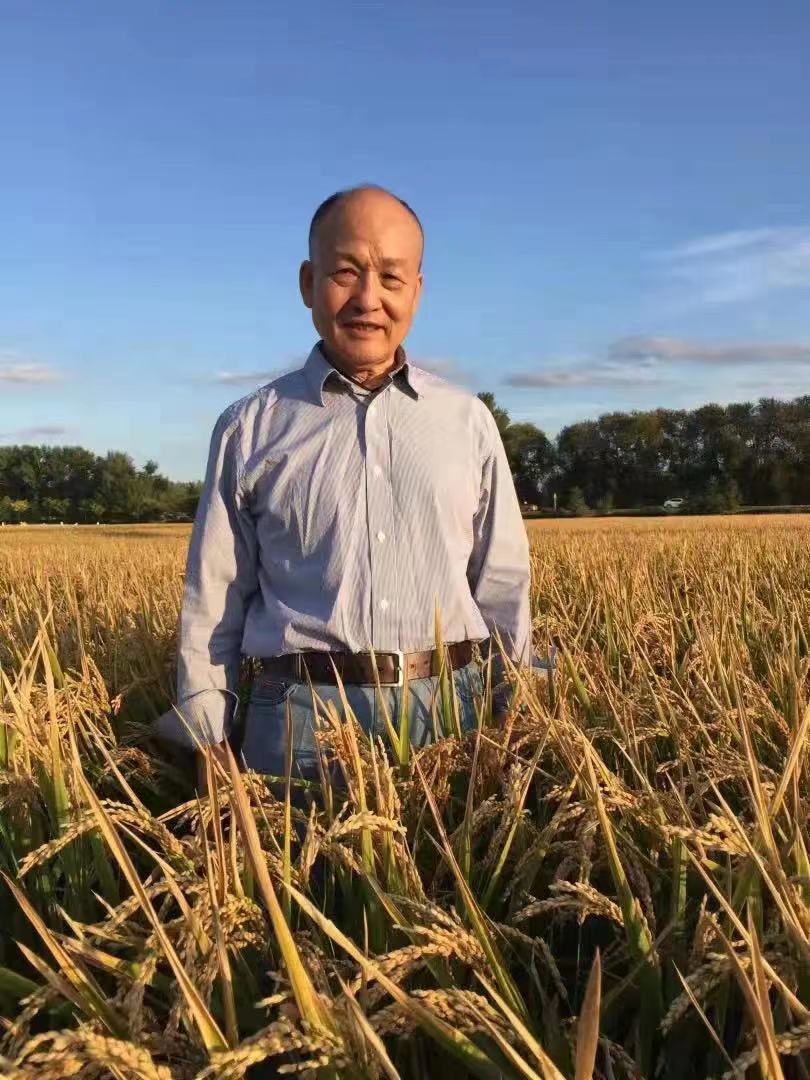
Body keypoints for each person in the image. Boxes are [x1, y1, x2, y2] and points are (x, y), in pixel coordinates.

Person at [156, 185, 532, 789]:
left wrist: (518, 711)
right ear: (309, 283)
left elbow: (502, 583)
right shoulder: (249, 428)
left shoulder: (467, 422)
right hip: (299, 716)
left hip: (452, 709)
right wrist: (208, 738)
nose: (367, 299)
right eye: (345, 272)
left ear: (416, 291)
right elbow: (214, 596)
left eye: (391, 277)